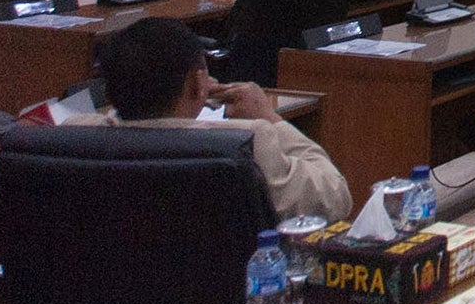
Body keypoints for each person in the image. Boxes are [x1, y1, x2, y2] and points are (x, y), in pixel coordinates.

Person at [67, 17, 351, 223]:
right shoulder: (248, 140)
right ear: (197, 83)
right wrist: (269, 117)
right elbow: (335, 198)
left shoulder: (73, 138)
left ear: (108, 90)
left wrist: (194, 90)